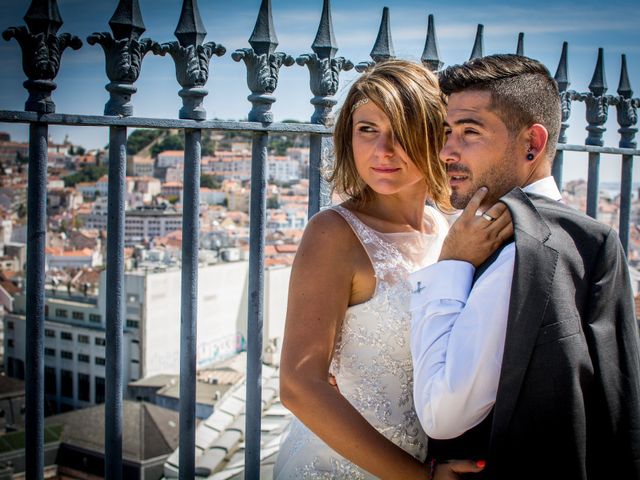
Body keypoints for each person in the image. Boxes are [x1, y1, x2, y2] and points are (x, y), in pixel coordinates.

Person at [274, 60, 508, 479]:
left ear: (435, 138)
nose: (383, 151)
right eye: (367, 130)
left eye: (402, 132)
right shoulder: (333, 233)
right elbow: (298, 386)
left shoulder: (449, 231)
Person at [410, 53, 640, 480]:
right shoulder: (589, 237)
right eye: (445, 132)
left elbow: (442, 414)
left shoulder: (519, 248)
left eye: (469, 132)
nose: (445, 152)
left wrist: (451, 265)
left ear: (532, 144)